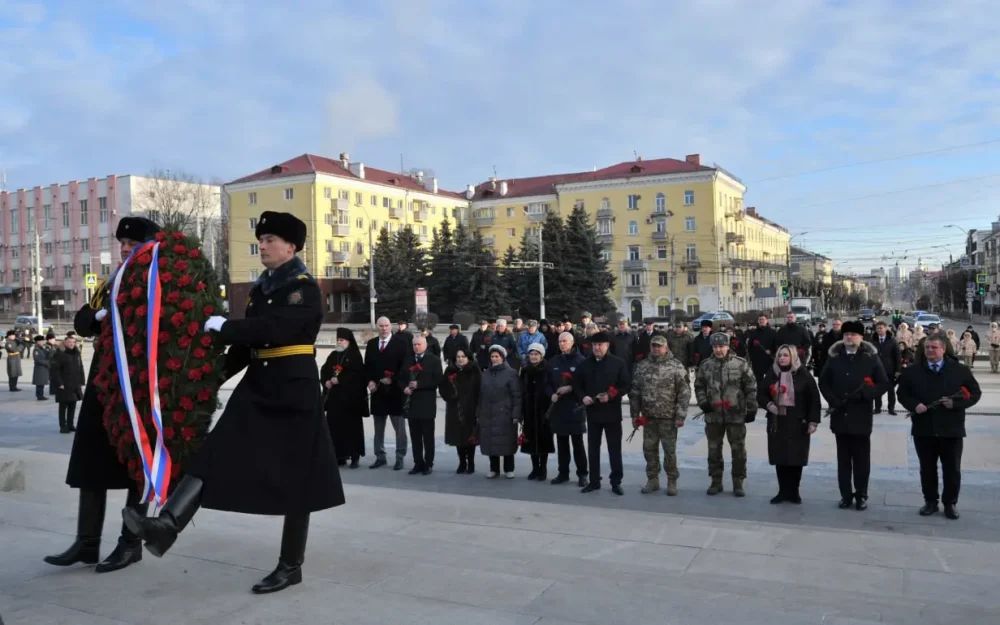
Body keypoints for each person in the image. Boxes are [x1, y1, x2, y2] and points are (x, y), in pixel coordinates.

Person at [123, 211, 344, 594]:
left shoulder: (303, 288)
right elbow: (246, 347)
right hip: (257, 387)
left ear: (291, 246)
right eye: (261, 239)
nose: (263, 245)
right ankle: (166, 527)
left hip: (294, 390)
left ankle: (291, 565)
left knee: (298, 479)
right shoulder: (261, 290)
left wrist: (226, 327)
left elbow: (277, 330)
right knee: (214, 452)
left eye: (271, 239)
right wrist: (206, 381)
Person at [44, 215, 161, 574]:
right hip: (102, 378)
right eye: (122, 243)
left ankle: (130, 544)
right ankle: (87, 542)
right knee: (90, 456)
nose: (125, 249)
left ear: (149, 247)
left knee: (135, 464)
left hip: (138, 381)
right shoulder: (113, 281)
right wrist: (96, 316)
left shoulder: (156, 281)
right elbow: (82, 322)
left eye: (132, 244)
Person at [897, 335, 982, 520]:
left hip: (951, 428)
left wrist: (956, 404)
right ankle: (930, 501)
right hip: (924, 428)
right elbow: (902, 394)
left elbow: (975, 393)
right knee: (927, 468)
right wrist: (914, 405)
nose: (929, 351)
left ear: (944, 349)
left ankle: (950, 503)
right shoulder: (913, 371)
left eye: (934, 347)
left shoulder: (959, 370)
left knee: (952, 469)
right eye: (927, 347)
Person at [819, 320, 888, 511]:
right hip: (840, 415)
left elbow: (883, 383)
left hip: (861, 416)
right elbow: (823, 382)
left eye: (854, 334)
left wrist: (866, 395)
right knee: (843, 460)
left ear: (861, 338)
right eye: (846, 334)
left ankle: (861, 494)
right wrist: (833, 400)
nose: (850, 337)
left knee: (861, 460)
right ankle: (846, 495)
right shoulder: (835, 358)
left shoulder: (870, 358)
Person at [694, 332, 758, 497]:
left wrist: (751, 409)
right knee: (713, 450)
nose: (718, 350)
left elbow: (751, 387)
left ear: (728, 346)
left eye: (721, 346)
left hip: (735, 414)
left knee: (738, 450)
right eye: (715, 347)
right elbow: (699, 385)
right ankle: (716, 481)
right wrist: (703, 402)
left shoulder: (740, 364)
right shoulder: (706, 365)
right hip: (713, 415)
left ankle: (738, 482)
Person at [757, 345, 821, 504]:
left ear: (792, 357)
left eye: (785, 355)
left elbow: (814, 399)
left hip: (798, 422)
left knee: (795, 458)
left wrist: (813, 421)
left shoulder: (803, 374)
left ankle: (794, 491)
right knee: (780, 457)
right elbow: (760, 393)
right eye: (780, 355)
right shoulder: (773, 373)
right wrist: (769, 405)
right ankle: (782, 491)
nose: (782, 358)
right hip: (777, 422)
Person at [629, 335, 690, 496]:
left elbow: (684, 393)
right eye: (653, 346)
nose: (656, 349)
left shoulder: (676, 366)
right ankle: (652, 479)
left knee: (669, 451)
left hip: (668, 418)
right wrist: (635, 415)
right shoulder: (642, 367)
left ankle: (671, 480)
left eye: (659, 346)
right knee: (649, 449)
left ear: (666, 348)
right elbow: (635, 392)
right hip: (648, 418)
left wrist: (681, 415)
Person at [575, 331, 631, 495]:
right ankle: (594, 481)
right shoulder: (585, 364)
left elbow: (626, 385)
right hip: (593, 413)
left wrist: (611, 395)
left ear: (607, 346)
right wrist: (583, 397)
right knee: (593, 448)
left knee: (614, 449)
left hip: (612, 412)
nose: (597, 348)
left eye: (600, 345)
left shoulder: (618, 363)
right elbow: (577, 385)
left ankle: (616, 482)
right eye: (594, 345)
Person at [365, 316, 408, 471]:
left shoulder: (401, 344)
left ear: (391, 326)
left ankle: (400, 457)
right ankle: (380, 456)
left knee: (399, 428)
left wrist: (393, 379)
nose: (384, 328)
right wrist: (369, 381)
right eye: (381, 326)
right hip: (377, 392)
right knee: (379, 427)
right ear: (377, 327)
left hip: (395, 392)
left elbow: (405, 367)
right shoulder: (371, 344)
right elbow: (367, 366)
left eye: (386, 325)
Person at [320, 328, 367, 469]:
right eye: (338, 340)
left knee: (351, 429)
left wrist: (341, 380)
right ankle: (339, 456)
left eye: (342, 340)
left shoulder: (354, 356)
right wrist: (326, 381)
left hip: (350, 400)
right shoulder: (333, 355)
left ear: (348, 341)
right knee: (334, 428)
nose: (339, 342)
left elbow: (357, 376)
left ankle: (354, 456)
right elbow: (324, 370)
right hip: (335, 400)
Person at [546, 332, 588, 486]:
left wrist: (571, 388)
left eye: (564, 341)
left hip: (575, 408)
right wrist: (551, 394)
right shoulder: (553, 362)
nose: (562, 343)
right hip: (559, 409)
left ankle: (583, 474)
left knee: (578, 444)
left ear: (572, 342)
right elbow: (547, 383)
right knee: (562, 443)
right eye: (560, 341)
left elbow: (586, 384)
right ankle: (563, 473)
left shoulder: (581, 361)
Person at [401, 335, 443, 475]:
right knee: (415, 436)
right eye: (414, 345)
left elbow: (437, 380)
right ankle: (417, 463)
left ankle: (428, 463)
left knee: (428, 436)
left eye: (419, 344)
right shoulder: (408, 360)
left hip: (426, 403)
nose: (416, 347)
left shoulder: (434, 360)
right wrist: (404, 388)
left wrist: (420, 384)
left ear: (425, 345)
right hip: (412, 404)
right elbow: (400, 378)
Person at [478, 345, 521, 478]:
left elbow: (517, 395)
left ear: (502, 357)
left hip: (505, 413)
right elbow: (480, 395)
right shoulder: (485, 373)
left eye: (497, 356)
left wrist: (516, 414)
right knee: (491, 441)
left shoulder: (511, 373)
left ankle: (509, 468)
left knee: (507, 441)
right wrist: (478, 413)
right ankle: (494, 468)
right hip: (488, 412)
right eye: (492, 356)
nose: (494, 359)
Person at [440, 347, 481, 473]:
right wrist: (450, 396)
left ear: (468, 357)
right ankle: (462, 462)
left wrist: (478, 406)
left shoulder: (474, 370)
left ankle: (471, 463)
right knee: (458, 437)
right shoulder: (450, 370)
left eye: (463, 356)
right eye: (458, 357)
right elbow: (443, 387)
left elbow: (480, 388)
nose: (460, 359)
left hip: (470, 407)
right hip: (455, 407)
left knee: (470, 437)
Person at [519, 343, 555, 481]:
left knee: (543, 439)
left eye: (536, 354)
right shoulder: (525, 370)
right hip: (529, 409)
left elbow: (551, 387)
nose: (533, 357)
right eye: (531, 354)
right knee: (530, 439)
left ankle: (543, 468)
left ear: (541, 355)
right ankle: (535, 468)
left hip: (543, 410)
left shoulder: (547, 369)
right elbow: (522, 389)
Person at [50, 334, 85, 433]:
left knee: (72, 405)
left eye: (73, 342)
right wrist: (59, 383)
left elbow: (80, 367)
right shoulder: (60, 354)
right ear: (65, 343)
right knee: (63, 406)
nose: (72, 344)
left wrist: (81, 381)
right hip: (64, 384)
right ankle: (63, 426)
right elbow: (55, 370)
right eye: (70, 342)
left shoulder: (76, 353)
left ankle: (70, 425)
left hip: (74, 384)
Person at [870, 321, 901, 415]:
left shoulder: (892, 340)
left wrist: (898, 370)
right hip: (876, 370)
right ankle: (877, 408)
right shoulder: (873, 340)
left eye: (881, 328)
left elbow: (897, 355)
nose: (879, 330)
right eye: (877, 328)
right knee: (877, 390)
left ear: (886, 328)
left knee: (890, 390)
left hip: (889, 369)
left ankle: (891, 408)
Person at [31, 335, 51, 401]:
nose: (43, 342)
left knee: (42, 383)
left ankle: (41, 395)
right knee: (39, 383)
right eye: (42, 341)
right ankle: (39, 396)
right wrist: (46, 363)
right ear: (38, 342)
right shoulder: (36, 350)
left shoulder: (42, 348)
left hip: (43, 368)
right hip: (39, 369)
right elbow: (37, 360)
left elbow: (46, 355)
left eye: (43, 340)